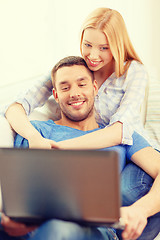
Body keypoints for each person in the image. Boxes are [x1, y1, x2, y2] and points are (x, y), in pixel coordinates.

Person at [1, 7, 160, 239]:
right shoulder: (37, 131)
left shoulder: (126, 133)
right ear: (55, 94)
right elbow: (16, 107)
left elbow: (122, 132)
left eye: (82, 84)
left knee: (124, 196)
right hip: (38, 225)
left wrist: (139, 210)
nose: (74, 92)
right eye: (65, 87)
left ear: (95, 87)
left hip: (91, 227)